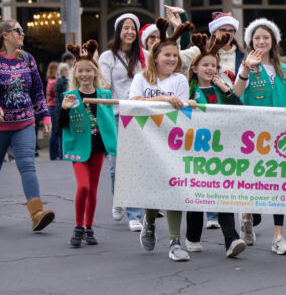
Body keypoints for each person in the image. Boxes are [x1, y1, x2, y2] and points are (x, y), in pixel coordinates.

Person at [0, 20, 54, 231]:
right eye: (19, 31)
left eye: (22, 31)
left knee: (27, 164)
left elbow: (37, 90)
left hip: (24, 122)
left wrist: (44, 116)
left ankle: (37, 213)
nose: (22, 35)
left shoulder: (28, 59)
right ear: (6, 35)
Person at [233, 18, 286, 255]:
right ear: (251, 41)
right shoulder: (248, 67)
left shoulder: (284, 70)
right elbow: (237, 94)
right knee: (253, 181)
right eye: (257, 38)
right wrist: (245, 69)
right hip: (252, 137)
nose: (261, 41)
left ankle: (278, 237)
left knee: (279, 184)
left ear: (273, 42)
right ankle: (247, 216)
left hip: (280, 136)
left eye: (266, 38)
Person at [177, 32, 247, 258]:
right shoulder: (187, 88)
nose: (210, 68)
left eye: (213, 65)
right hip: (196, 149)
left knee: (222, 193)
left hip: (221, 149)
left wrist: (226, 89)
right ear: (195, 68)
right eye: (205, 65)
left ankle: (231, 239)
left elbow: (238, 109)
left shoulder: (220, 88)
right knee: (198, 195)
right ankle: (192, 236)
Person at [132, 17, 196, 261]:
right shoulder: (141, 78)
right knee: (154, 189)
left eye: (175, 55)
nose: (171, 59)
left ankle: (174, 242)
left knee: (174, 190)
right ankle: (148, 221)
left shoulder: (180, 80)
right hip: (147, 139)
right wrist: (163, 100)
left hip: (173, 140)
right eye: (167, 55)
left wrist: (179, 102)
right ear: (155, 57)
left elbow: (181, 112)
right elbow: (134, 103)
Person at [59, 40, 117, 248]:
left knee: (92, 189)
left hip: (97, 147)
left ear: (95, 73)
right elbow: (61, 126)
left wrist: (113, 144)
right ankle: (78, 225)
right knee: (82, 185)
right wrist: (64, 110)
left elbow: (110, 120)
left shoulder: (104, 95)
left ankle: (89, 226)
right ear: (75, 74)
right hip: (78, 148)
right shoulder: (69, 97)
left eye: (88, 71)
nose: (84, 74)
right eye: (80, 71)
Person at [98, 13, 148, 231]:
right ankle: (118, 197)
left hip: (138, 114)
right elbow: (104, 85)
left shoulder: (144, 56)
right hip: (115, 113)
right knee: (116, 165)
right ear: (118, 32)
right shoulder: (107, 57)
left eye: (133, 28)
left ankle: (134, 214)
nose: (129, 32)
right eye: (125, 28)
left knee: (135, 164)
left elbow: (151, 81)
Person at [52, 63, 69, 160]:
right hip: (61, 107)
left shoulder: (58, 81)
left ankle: (61, 153)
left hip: (58, 107)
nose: (68, 72)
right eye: (66, 70)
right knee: (61, 132)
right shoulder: (62, 81)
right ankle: (62, 154)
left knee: (59, 132)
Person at [45, 61, 60, 160]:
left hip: (50, 106)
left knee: (54, 131)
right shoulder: (54, 82)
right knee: (55, 131)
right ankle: (54, 154)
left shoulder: (49, 80)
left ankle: (53, 154)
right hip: (53, 107)